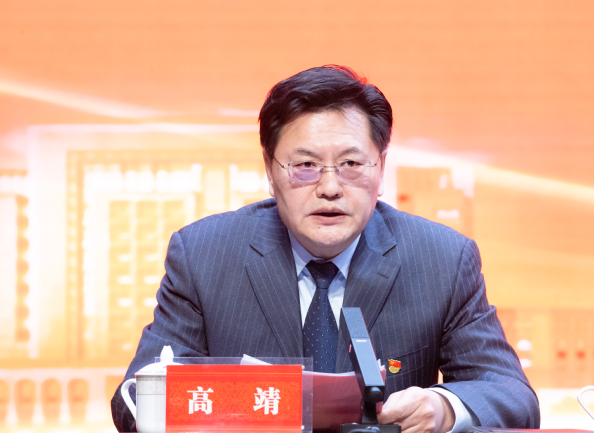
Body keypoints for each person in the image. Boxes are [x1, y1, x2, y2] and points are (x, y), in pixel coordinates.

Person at [111, 65, 540, 432]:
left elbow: (511, 394)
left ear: (381, 168)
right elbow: (132, 402)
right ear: (270, 171)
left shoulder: (443, 259)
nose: (330, 187)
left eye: (351, 164)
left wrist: (443, 407)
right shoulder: (203, 254)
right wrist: (247, 404)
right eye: (305, 165)